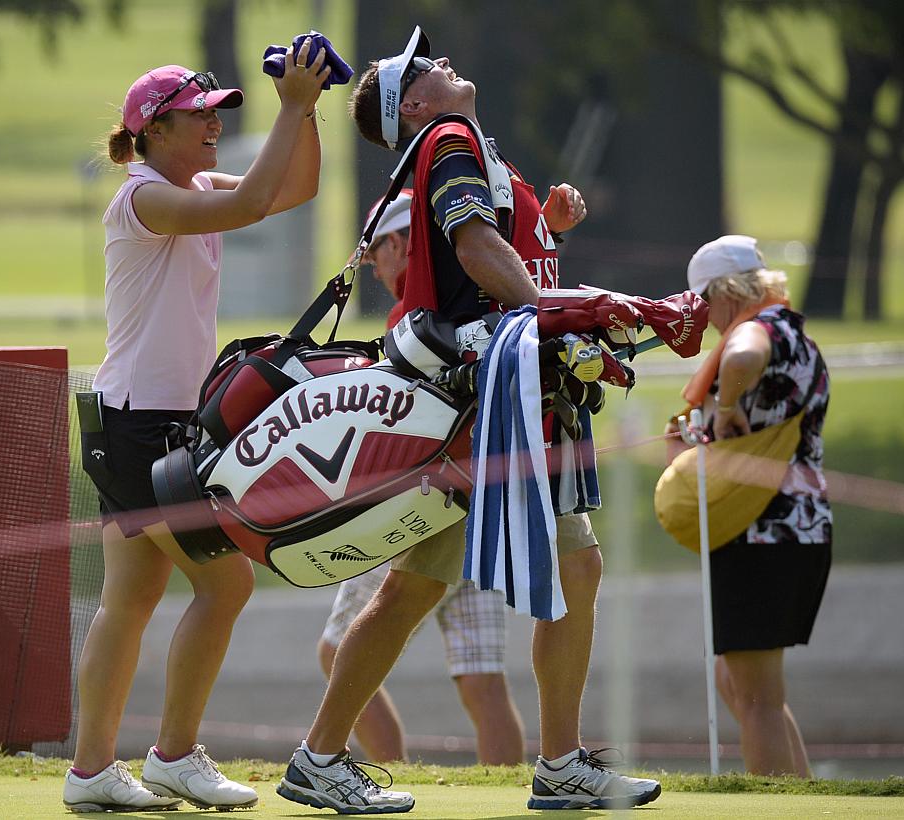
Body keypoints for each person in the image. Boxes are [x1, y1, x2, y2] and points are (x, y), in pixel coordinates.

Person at [276, 27, 661, 813]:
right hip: (487, 410)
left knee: (555, 571)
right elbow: (475, 246)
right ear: (413, 103)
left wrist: (547, 227)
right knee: (414, 591)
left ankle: (557, 764)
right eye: (428, 66)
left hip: (513, 400)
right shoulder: (449, 135)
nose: (445, 62)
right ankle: (321, 758)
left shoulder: (468, 142)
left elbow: (497, 248)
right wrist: (558, 317)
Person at [62, 45, 331, 813]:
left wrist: (304, 107)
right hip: (140, 425)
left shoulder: (189, 184)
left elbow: (294, 187)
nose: (215, 127)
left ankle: (90, 773)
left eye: (218, 116)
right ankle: (173, 757)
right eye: (199, 117)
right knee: (227, 580)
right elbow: (250, 206)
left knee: (133, 598)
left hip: (149, 424)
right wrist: (288, 107)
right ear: (152, 131)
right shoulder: (143, 198)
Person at [315, 190, 527, 767]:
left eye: (377, 254)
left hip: (417, 513)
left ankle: (384, 774)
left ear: (401, 243)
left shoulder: (410, 316)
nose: (376, 270)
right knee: (482, 679)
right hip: (484, 506)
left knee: (338, 652)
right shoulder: (476, 297)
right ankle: (504, 788)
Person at [669, 234, 832, 777]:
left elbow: (742, 354)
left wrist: (727, 405)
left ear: (726, 293)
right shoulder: (796, 334)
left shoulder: (760, 332)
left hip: (763, 533)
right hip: (797, 532)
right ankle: (804, 802)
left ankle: (777, 809)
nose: (706, 319)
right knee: (738, 681)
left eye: (704, 304)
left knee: (756, 696)